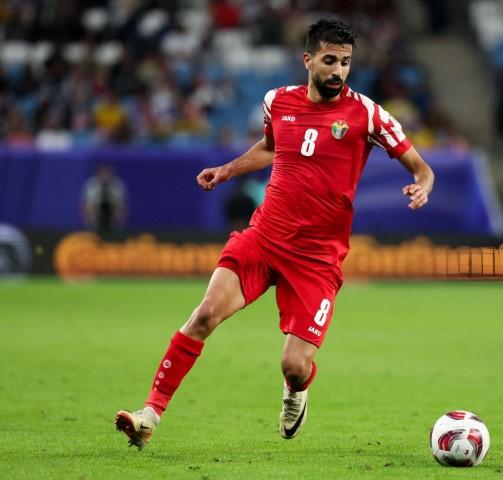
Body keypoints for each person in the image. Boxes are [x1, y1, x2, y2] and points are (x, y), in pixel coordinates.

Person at [115, 19, 434, 449]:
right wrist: (227, 170)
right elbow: (270, 146)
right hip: (264, 237)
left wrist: (422, 185)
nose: (338, 71)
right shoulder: (277, 101)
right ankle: (149, 416)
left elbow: (421, 166)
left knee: (294, 365)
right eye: (330, 60)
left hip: (317, 258)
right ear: (308, 60)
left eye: (345, 62)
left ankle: (296, 390)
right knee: (204, 315)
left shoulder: (367, 114)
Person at [82, 163, 127, 235]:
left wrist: (119, 220)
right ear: (98, 174)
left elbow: (121, 205)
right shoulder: (91, 185)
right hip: (96, 214)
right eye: (103, 174)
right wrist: (89, 222)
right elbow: (87, 205)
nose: (105, 176)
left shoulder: (118, 185)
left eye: (107, 174)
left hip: (111, 213)